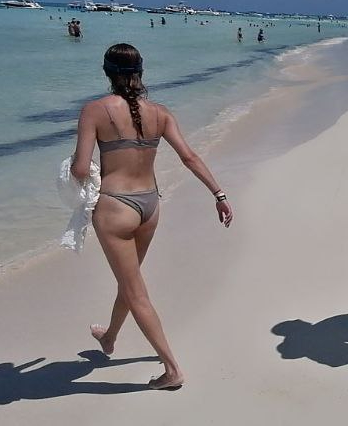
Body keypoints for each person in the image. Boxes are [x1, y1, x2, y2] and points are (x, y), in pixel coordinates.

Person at [70, 43, 234, 391]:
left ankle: (172, 370)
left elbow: (81, 169)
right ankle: (110, 337)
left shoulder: (94, 111)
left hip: (115, 207)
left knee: (135, 289)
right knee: (130, 282)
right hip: (149, 206)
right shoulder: (160, 113)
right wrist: (219, 195)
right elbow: (189, 157)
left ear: (106, 73)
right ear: (141, 73)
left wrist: (73, 170)